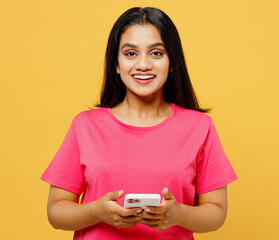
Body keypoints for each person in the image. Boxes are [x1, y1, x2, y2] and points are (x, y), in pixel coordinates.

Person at [41, 7, 237, 240]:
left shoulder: (200, 127)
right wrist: (97, 211)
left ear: (172, 62)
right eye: (130, 53)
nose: (143, 65)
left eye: (156, 53)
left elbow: (216, 213)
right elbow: (56, 211)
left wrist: (177, 214)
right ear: (116, 63)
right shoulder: (85, 126)